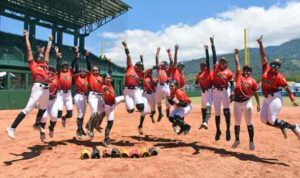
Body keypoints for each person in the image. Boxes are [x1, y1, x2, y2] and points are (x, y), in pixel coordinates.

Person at [6, 30, 53, 139]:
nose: (41, 57)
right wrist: (26, 37)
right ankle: (12, 128)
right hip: (38, 88)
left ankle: (37, 123)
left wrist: (50, 42)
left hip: (46, 89)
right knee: (27, 109)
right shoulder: (33, 64)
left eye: (42, 56)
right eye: (39, 56)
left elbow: (47, 52)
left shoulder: (45, 64)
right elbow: (29, 49)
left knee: (43, 108)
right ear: (36, 57)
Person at [257, 37, 300, 139]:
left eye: (277, 65)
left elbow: (288, 89)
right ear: (270, 64)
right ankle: (287, 126)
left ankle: (293, 127)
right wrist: (260, 44)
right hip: (266, 99)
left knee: (272, 120)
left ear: (279, 67)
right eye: (273, 64)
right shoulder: (265, 68)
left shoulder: (280, 77)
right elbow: (263, 55)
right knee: (263, 119)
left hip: (275, 98)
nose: (274, 66)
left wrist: (293, 99)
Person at [231, 49, 260, 150]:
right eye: (245, 70)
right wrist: (236, 54)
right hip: (236, 103)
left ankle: (251, 141)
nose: (246, 72)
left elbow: (256, 93)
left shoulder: (253, 81)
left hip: (247, 102)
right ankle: (237, 140)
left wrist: (258, 104)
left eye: (248, 70)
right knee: (237, 123)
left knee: (249, 123)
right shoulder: (239, 75)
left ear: (251, 72)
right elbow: (237, 64)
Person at [122, 41, 148, 135]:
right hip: (127, 91)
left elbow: (145, 69)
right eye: (138, 66)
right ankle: (129, 104)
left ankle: (140, 125)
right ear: (135, 65)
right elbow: (128, 56)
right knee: (130, 110)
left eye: (141, 67)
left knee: (141, 108)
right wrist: (126, 46)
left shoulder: (141, 73)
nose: (139, 68)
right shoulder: (130, 67)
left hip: (136, 90)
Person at [210, 37, 234, 141]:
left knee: (227, 111)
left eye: (224, 62)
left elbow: (232, 83)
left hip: (225, 91)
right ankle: (218, 130)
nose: (222, 63)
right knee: (217, 112)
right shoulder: (215, 68)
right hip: (215, 91)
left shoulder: (229, 72)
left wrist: (232, 92)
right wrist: (212, 44)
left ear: (226, 63)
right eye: (221, 62)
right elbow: (214, 56)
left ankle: (228, 129)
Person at [101, 58, 124, 146]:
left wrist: (110, 63)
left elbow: (110, 72)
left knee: (125, 97)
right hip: (109, 107)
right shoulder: (104, 86)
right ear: (104, 79)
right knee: (110, 122)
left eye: (109, 78)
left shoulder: (109, 84)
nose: (108, 79)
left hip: (114, 101)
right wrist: (106, 92)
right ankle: (106, 139)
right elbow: (106, 91)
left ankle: (133, 106)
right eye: (106, 78)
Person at [55, 46, 77, 127]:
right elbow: (58, 65)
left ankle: (64, 118)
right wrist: (58, 57)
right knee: (58, 114)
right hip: (60, 94)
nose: (65, 67)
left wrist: (76, 53)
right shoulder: (59, 72)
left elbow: (74, 63)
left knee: (70, 114)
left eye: (66, 66)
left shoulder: (70, 72)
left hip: (68, 94)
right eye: (63, 66)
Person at [85, 51, 105, 138]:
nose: (95, 71)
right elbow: (89, 66)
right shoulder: (90, 76)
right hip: (92, 95)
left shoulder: (101, 78)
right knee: (94, 113)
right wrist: (87, 57)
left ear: (99, 71)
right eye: (94, 70)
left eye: (96, 70)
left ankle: (96, 124)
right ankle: (90, 130)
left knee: (103, 112)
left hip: (100, 96)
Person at [195, 45, 214, 129]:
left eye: (204, 65)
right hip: (203, 93)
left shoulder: (207, 71)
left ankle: (206, 121)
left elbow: (208, 61)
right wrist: (197, 83)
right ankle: (203, 121)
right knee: (203, 107)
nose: (203, 66)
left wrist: (206, 50)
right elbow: (196, 82)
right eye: (201, 65)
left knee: (208, 105)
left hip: (209, 91)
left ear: (206, 67)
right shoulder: (199, 74)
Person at [39, 66, 59, 142]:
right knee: (43, 117)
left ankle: (51, 128)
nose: (50, 72)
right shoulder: (43, 78)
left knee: (54, 117)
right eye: (49, 70)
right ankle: (42, 132)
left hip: (53, 100)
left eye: (52, 70)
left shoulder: (57, 78)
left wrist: (58, 58)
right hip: (44, 100)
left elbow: (59, 66)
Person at [73, 48, 89, 139]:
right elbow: (76, 66)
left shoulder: (87, 78)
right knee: (80, 113)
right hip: (78, 95)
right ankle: (78, 131)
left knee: (83, 114)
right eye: (81, 71)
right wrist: (76, 54)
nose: (83, 72)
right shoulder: (77, 77)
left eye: (84, 71)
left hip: (85, 97)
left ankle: (81, 129)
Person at [155, 47, 172, 122]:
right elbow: (156, 60)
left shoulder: (168, 71)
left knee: (168, 102)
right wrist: (157, 52)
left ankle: (168, 111)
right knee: (158, 101)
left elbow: (171, 62)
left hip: (166, 86)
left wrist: (169, 53)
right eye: (162, 64)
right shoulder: (159, 69)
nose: (162, 65)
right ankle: (160, 113)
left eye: (163, 64)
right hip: (159, 85)